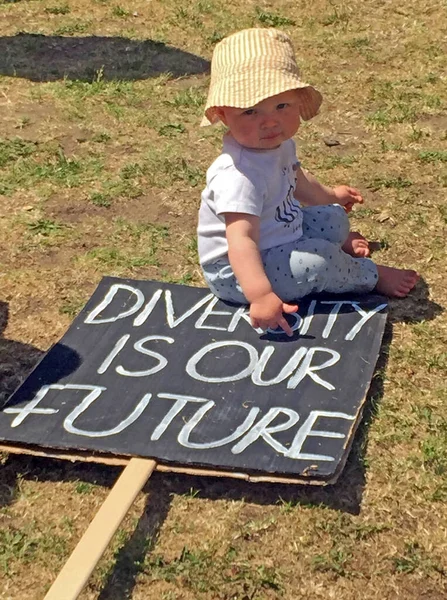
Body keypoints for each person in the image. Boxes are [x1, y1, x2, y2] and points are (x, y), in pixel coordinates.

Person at [197, 28, 418, 336]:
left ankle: (338, 245)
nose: (270, 121)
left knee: (332, 216)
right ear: (223, 114)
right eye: (251, 111)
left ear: (297, 102)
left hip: (281, 234)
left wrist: (332, 195)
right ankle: (369, 275)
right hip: (240, 272)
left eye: (281, 106)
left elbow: (298, 182)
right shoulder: (239, 176)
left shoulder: (278, 145)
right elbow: (241, 243)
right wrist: (260, 295)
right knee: (318, 262)